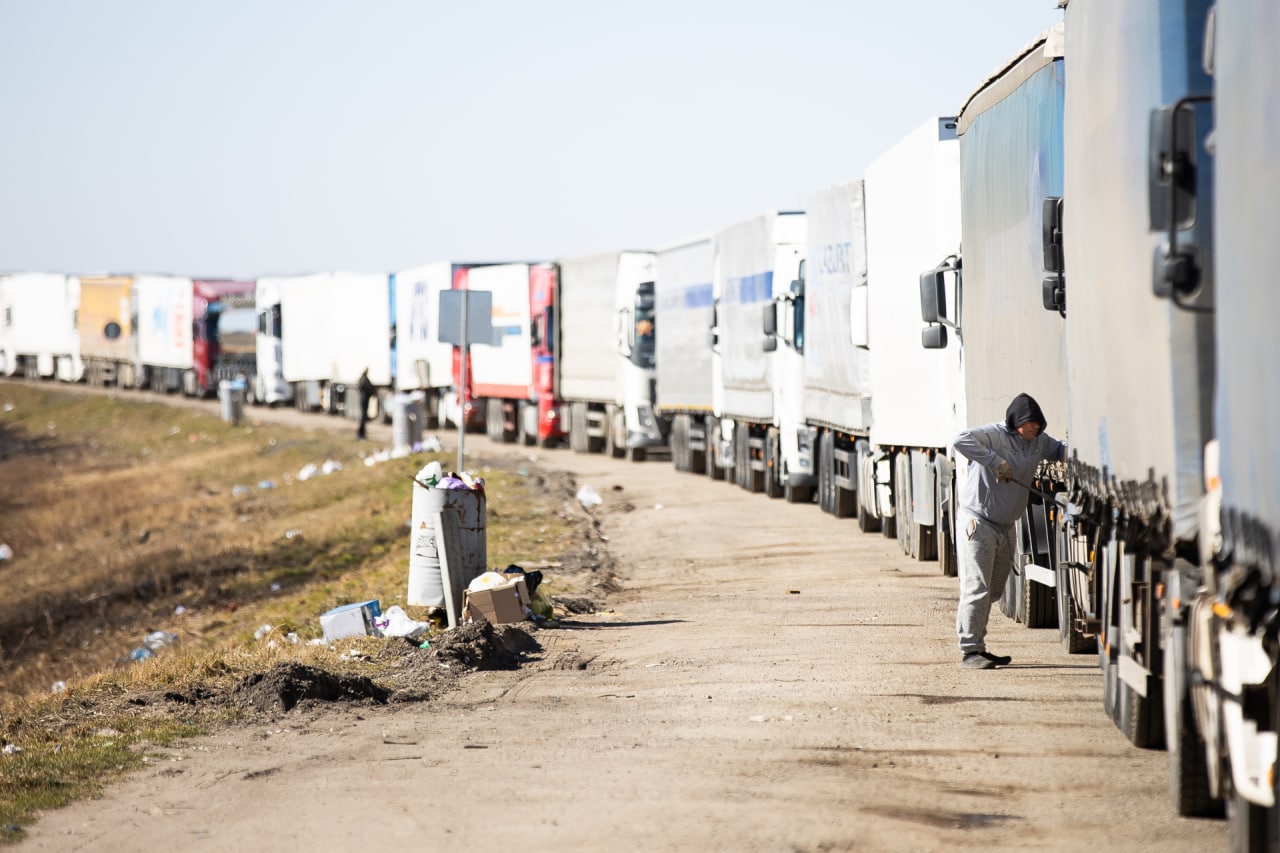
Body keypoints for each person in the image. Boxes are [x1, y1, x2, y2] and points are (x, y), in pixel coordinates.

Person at [953, 392, 1066, 670]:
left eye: (1037, 424)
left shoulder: (1040, 443)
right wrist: (993, 461)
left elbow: (1061, 450)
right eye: (1028, 424)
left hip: (1006, 525)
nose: (1033, 428)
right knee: (977, 587)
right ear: (1015, 421)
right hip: (978, 521)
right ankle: (971, 651)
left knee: (993, 590)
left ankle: (976, 642)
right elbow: (960, 439)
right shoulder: (995, 435)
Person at [356, 367, 375, 440]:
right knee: (363, 416)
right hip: (364, 398)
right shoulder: (364, 379)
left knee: (363, 415)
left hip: (363, 398)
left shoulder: (362, 378)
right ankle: (361, 433)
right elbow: (368, 388)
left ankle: (362, 433)